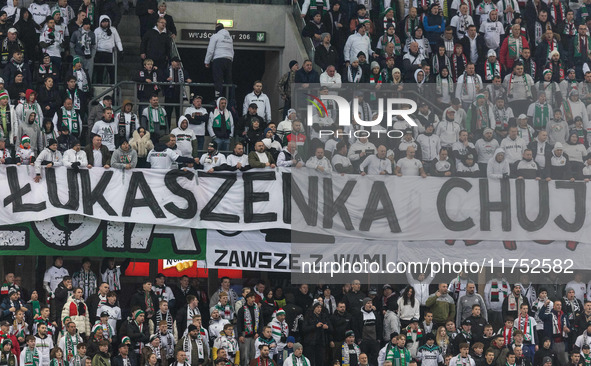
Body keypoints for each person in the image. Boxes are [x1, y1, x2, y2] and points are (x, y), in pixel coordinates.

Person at [205, 23, 233, 99]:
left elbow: (210, 50)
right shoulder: (230, 38)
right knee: (228, 81)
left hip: (218, 59)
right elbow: (232, 50)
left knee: (218, 80)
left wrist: (207, 61)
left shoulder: (215, 36)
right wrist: (231, 59)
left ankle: (218, 98)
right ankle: (230, 98)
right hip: (228, 60)